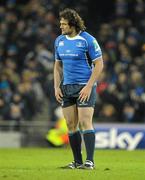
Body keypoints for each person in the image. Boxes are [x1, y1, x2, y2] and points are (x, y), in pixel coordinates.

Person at [54, 8, 103, 170]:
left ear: (73, 24)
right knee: (70, 124)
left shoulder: (87, 40)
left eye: (63, 24)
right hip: (66, 87)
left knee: (84, 122)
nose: (61, 27)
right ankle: (77, 161)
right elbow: (57, 66)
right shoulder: (59, 41)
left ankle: (90, 161)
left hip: (84, 86)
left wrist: (89, 86)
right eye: (60, 24)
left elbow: (99, 64)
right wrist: (56, 87)